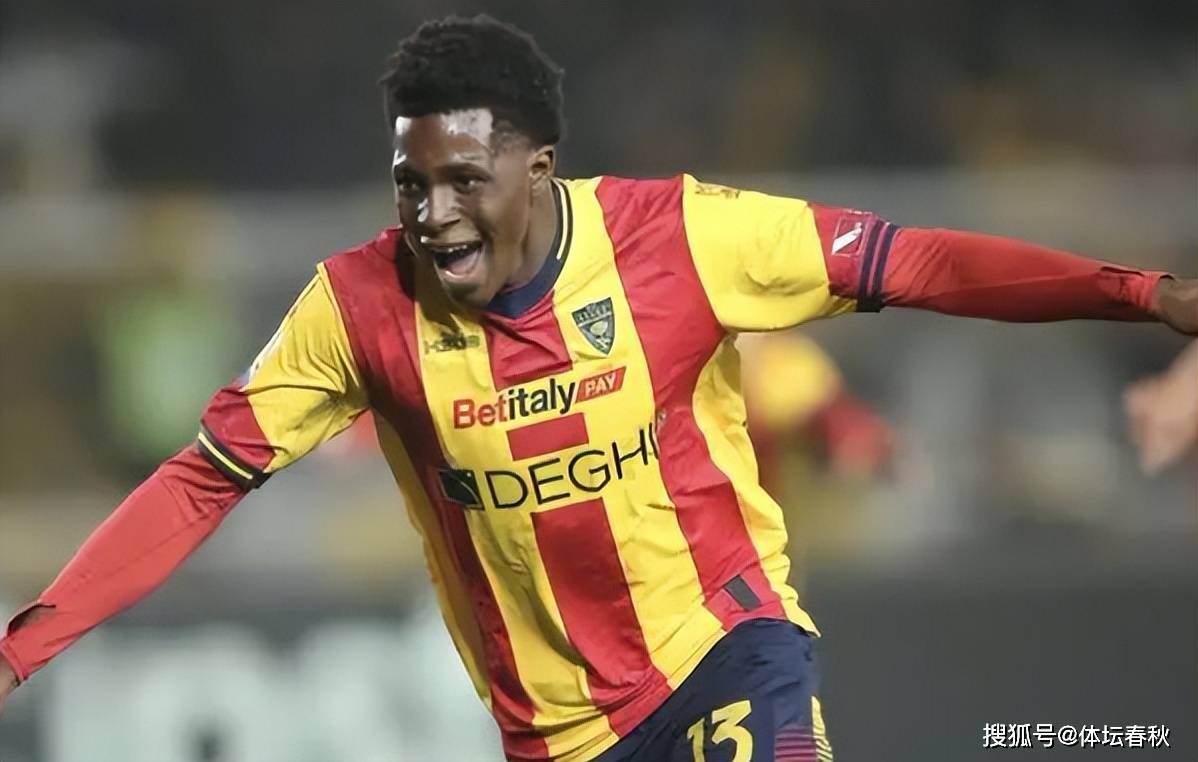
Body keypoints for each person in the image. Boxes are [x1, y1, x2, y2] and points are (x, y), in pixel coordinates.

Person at [1, 14, 1195, 762]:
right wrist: (21, 650)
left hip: (724, 649)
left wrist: (1140, 293)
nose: (432, 214)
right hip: (557, 737)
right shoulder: (354, 307)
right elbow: (201, 481)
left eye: (464, 180)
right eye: (410, 183)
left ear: (539, 166)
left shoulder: (682, 237)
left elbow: (917, 262)